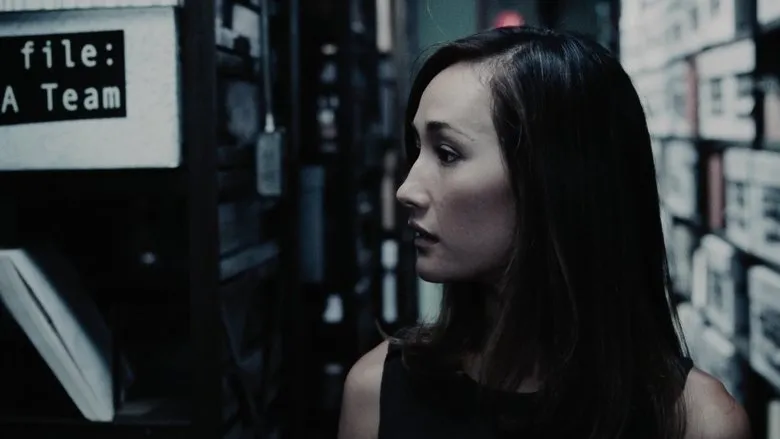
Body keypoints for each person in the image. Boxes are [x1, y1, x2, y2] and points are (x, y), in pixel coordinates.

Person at [337, 26, 751, 439]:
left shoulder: (698, 423)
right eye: (417, 149)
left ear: (555, 180)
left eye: (447, 153)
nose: (407, 190)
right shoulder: (376, 394)